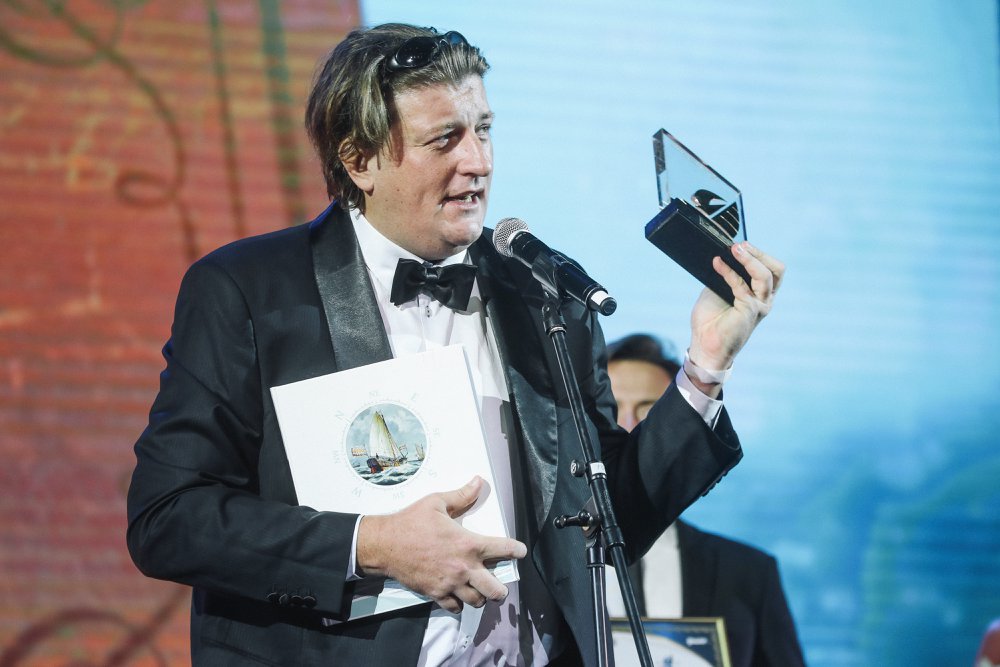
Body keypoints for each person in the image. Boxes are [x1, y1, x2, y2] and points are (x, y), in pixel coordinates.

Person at [125, 23, 785, 666]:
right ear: (360, 160)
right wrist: (371, 544)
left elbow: (608, 526)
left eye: (484, 129)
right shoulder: (250, 291)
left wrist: (706, 367)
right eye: (445, 139)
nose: (478, 161)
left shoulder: (542, 291)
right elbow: (169, 517)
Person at [604, 333, 805, 667]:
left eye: (649, 413)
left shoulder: (748, 571)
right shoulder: (545, 567)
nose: (627, 426)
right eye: (610, 411)